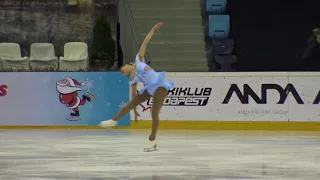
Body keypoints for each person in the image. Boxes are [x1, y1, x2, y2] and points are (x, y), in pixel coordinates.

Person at [99, 22, 174, 151]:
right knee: (129, 105)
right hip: (150, 89)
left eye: (122, 70)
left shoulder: (138, 60)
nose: (122, 72)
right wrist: (134, 111)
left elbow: (144, 43)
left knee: (154, 114)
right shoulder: (133, 77)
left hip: (160, 87)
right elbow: (133, 97)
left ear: (127, 64)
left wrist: (152, 30)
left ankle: (152, 139)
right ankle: (114, 120)